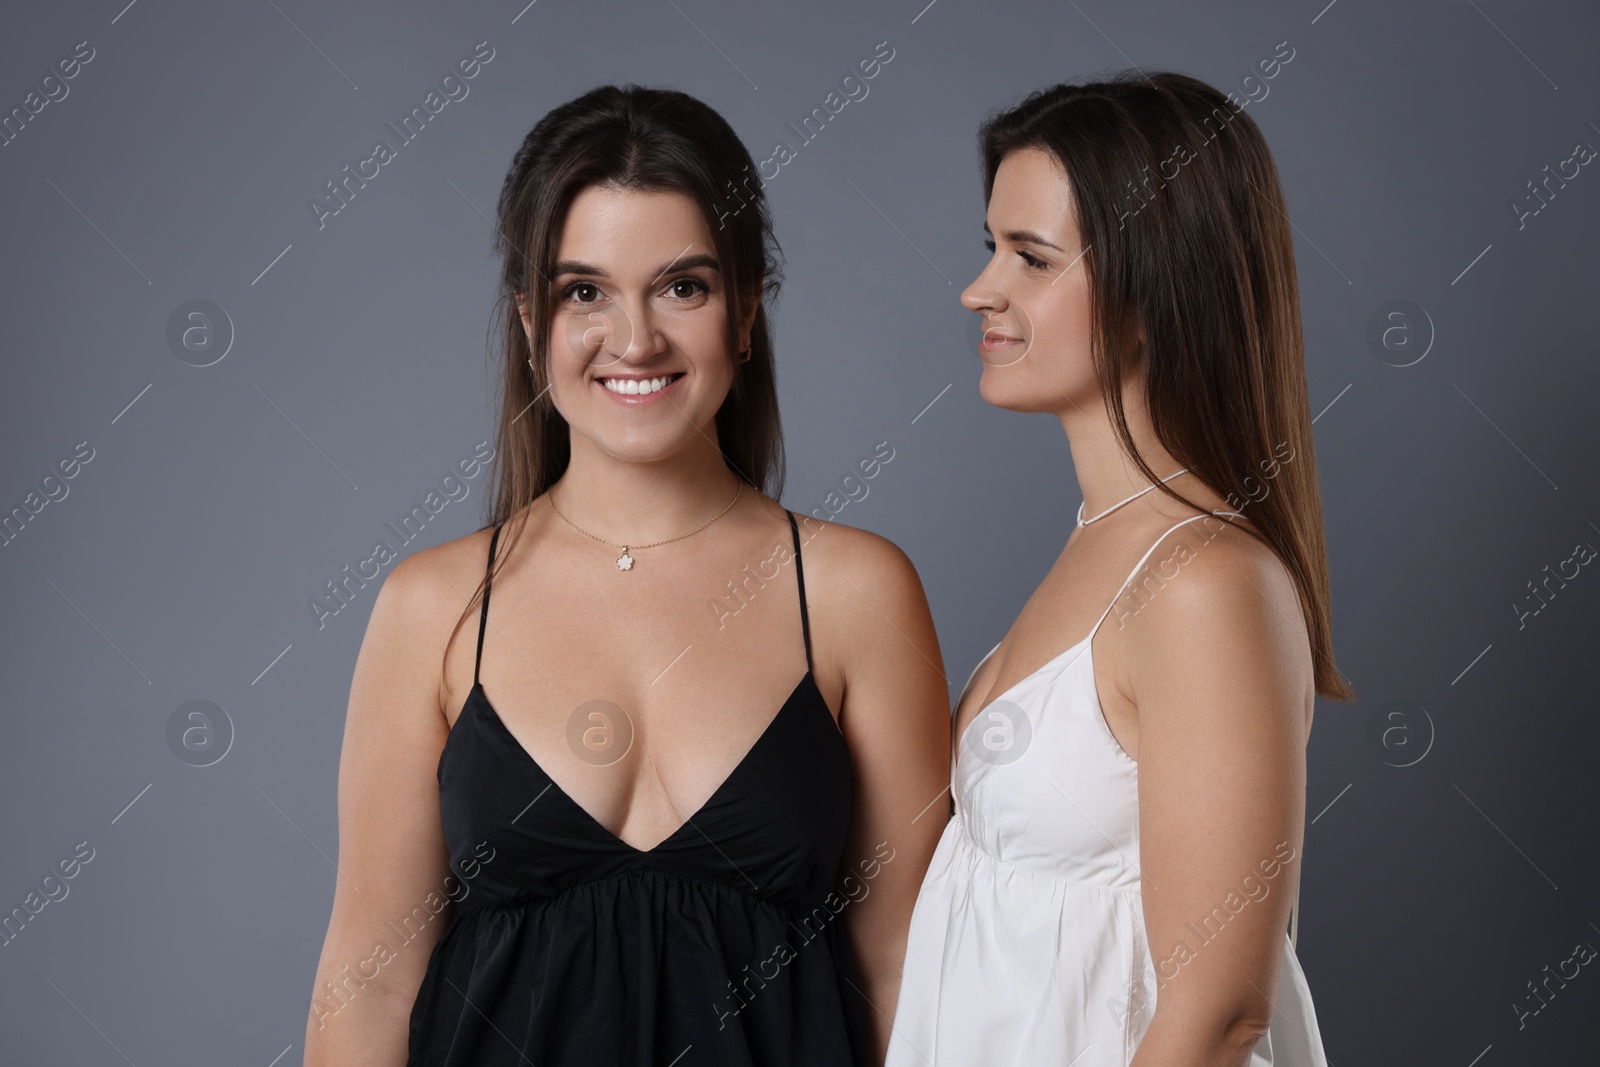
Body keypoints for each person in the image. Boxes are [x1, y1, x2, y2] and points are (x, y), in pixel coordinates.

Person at [304, 84, 950, 1066]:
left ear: (743, 311)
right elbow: (368, 980)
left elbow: (908, 964)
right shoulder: (434, 607)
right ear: (530, 322)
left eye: (681, 286)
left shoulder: (855, 591)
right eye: (584, 291)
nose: (636, 338)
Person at [886, 72, 1353, 1066]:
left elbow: (1219, 1013)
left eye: (1032, 257)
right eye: (990, 246)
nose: (980, 289)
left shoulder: (1203, 583)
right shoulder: (1107, 534)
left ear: (1155, 285)